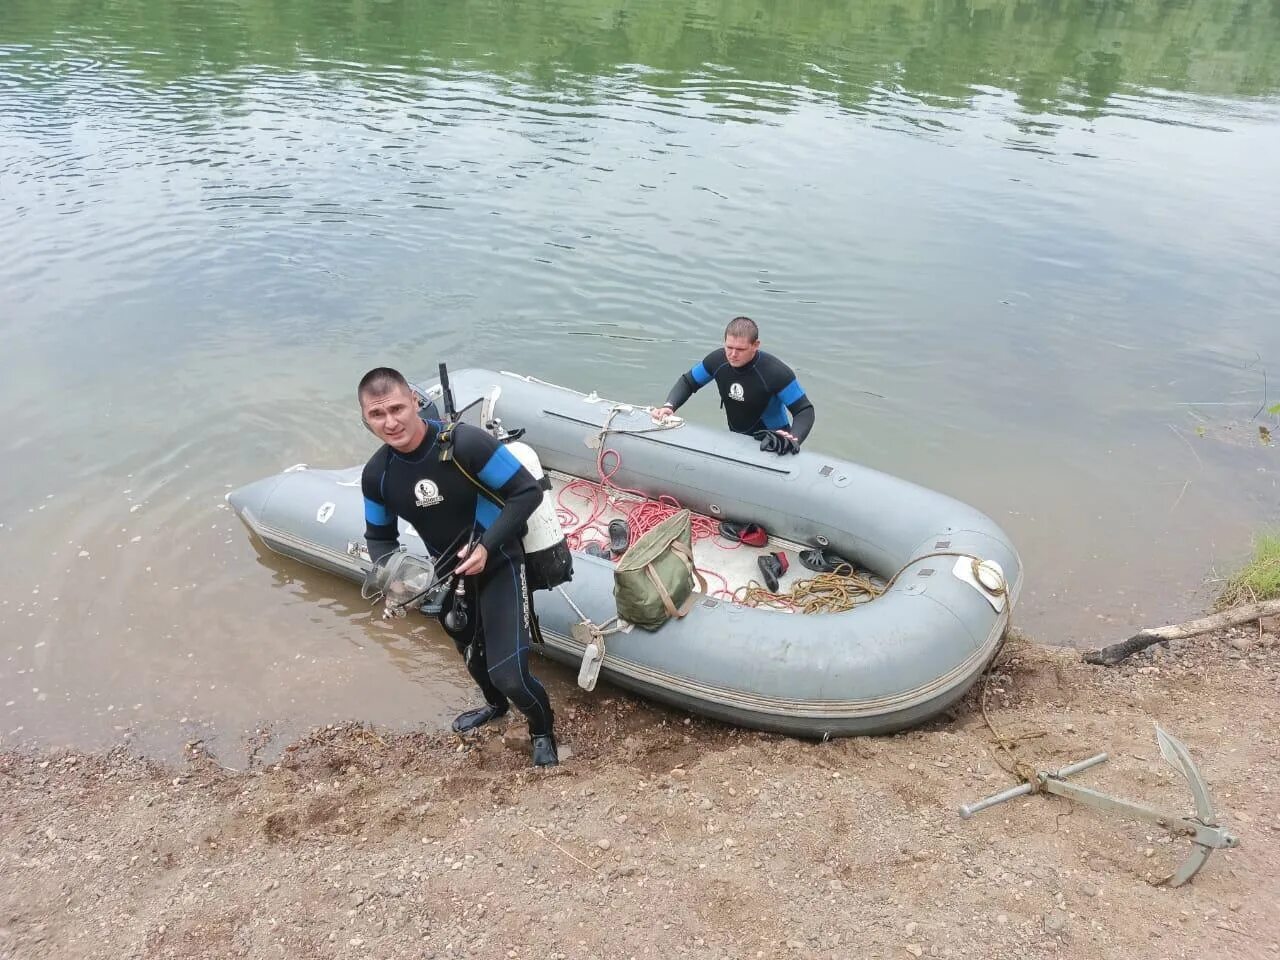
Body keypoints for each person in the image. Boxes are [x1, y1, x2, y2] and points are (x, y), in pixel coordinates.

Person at [357, 366, 558, 767]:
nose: (390, 422)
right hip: (449, 576)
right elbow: (380, 538)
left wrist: (486, 546)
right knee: (474, 660)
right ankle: (495, 708)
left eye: (397, 408)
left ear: (414, 401)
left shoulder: (465, 443)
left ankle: (541, 730)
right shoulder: (378, 475)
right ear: (364, 417)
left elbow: (526, 493)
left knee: (510, 675)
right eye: (377, 414)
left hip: (499, 560)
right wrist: (394, 579)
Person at [652, 316, 815, 455]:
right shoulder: (717, 361)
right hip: (735, 439)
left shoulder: (775, 372)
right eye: (729, 347)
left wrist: (793, 438)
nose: (733, 354)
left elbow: (804, 410)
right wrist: (669, 406)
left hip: (772, 443)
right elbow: (688, 382)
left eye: (740, 349)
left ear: (755, 345)